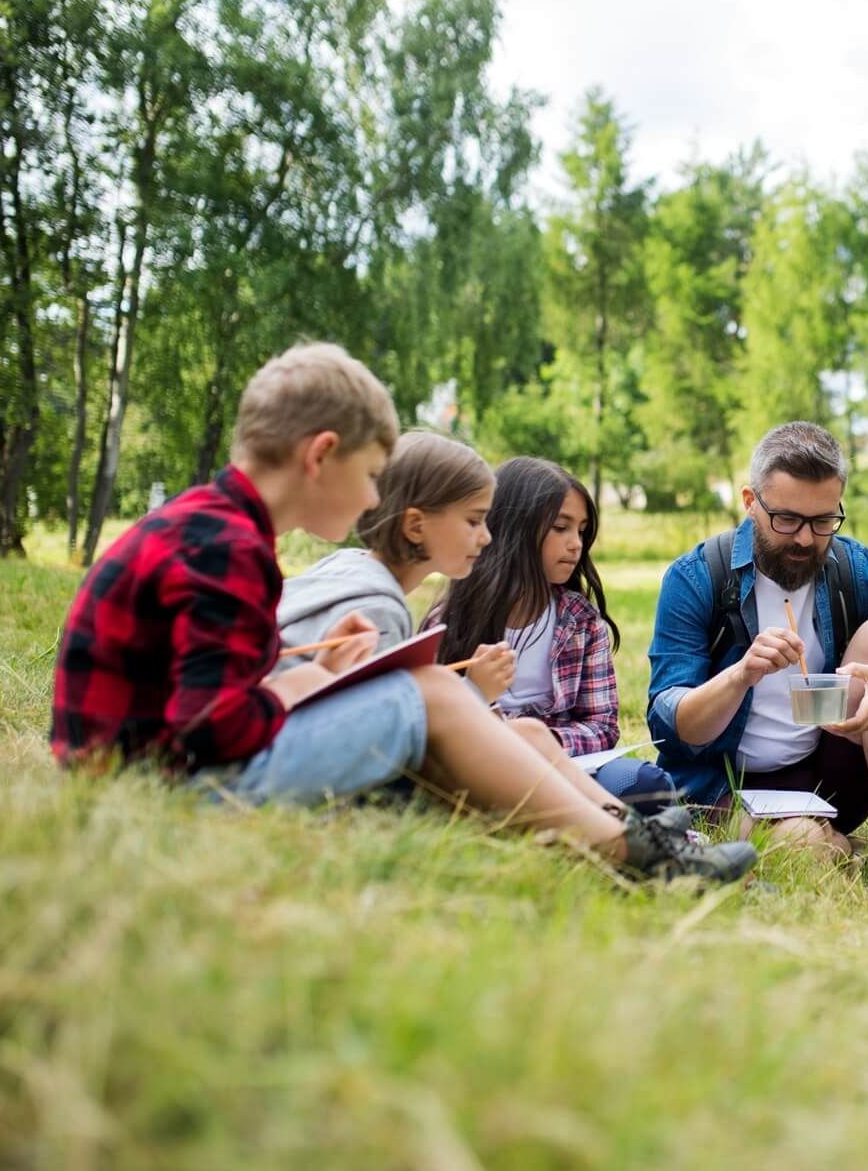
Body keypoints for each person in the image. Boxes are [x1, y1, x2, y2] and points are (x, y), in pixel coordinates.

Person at [50, 341, 755, 885]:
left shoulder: (209, 526)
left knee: (452, 701)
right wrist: (305, 686)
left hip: (141, 771)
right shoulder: (229, 548)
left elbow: (200, 694)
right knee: (432, 692)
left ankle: (624, 837)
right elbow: (213, 731)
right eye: (368, 477)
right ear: (321, 455)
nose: (368, 503)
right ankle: (626, 850)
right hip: (158, 790)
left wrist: (316, 670)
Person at [647, 421, 868, 856]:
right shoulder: (697, 577)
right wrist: (740, 675)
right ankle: (837, 848)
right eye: (786, 519)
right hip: (724, 789)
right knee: (803, 849)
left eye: (823, 520)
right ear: (750, 502)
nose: (805, 538)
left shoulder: (851, 567)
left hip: (829, 778)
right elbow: (670, 727)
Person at [428, 457, 679, 813]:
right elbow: (435, 726)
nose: (576, 544)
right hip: (480, 763)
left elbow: (602, 727)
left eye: (581, 530)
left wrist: (545, 741)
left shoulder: (580, 620)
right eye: (561, 528)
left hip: (568, 765)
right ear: (514, 528)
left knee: (645, 785)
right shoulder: (450, 623)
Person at [277, 429, 514, 701]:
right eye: (474, 521)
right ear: (415, 526)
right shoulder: (377, 612)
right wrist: (475, 693)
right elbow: (378, 730)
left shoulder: (346, 564)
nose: (486, 537)